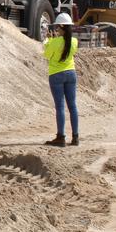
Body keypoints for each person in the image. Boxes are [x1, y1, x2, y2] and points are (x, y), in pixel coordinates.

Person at [44, 13, 79, 147]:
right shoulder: (74, 41)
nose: (56, 30)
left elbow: (46, 54)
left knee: (60, 107)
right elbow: (66, 47)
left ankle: (61, 137)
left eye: (58, 28)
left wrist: (48, 40)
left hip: (56, 74)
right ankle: (75, 137)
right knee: (73, 106)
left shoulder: (55, 41)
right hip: (71, 73)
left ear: (62, 27)